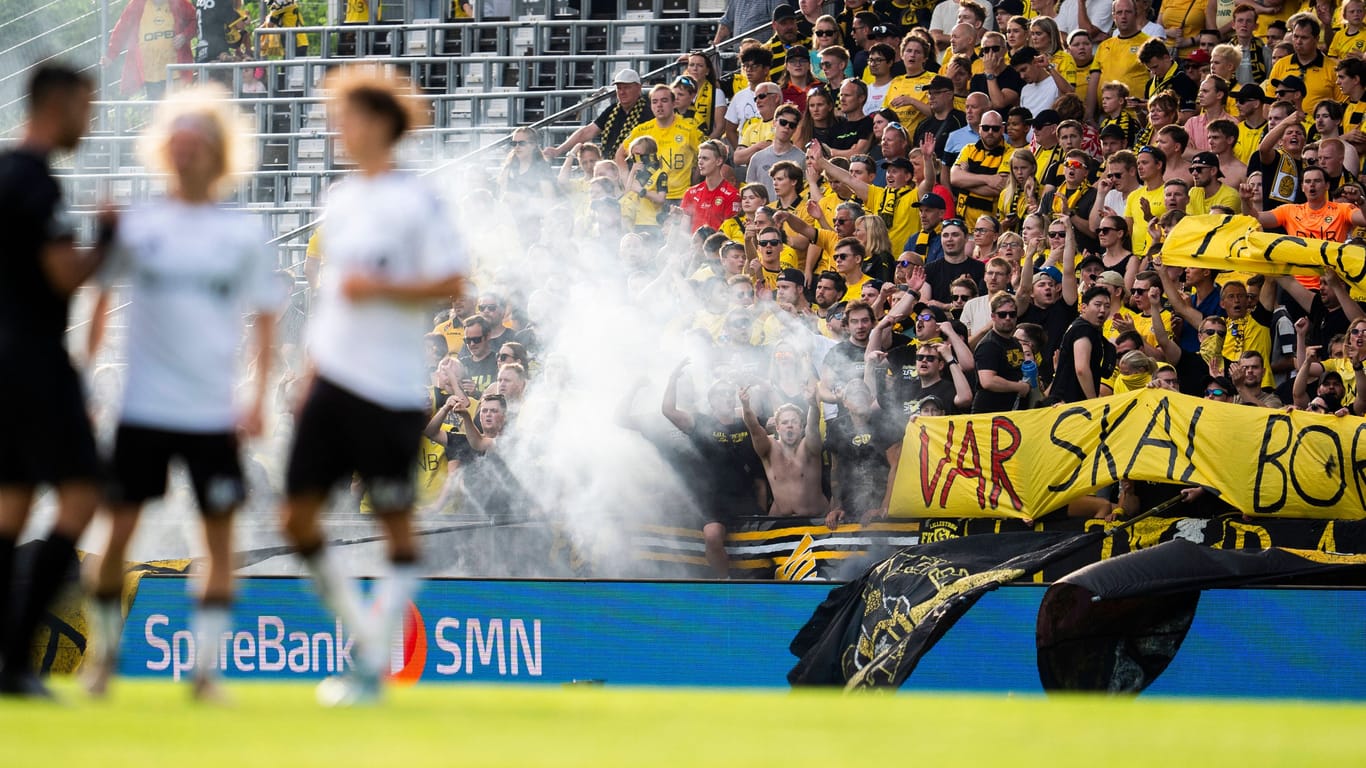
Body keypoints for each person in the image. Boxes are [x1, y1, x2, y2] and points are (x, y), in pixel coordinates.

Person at [82, 86, 281, 699]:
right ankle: (105, 658)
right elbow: (99, 297)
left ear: (221, 153)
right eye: (179, 142)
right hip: (143, 408)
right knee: (116, 533)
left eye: (200, 143)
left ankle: (205, 671)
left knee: (218, 539)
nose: (188, 152)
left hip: (212, 414)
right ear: (164, 150)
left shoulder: (242, 234)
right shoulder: (139, 226)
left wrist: (256, 400)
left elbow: (267, 319)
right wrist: (81, 378)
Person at [279, 67, 469, 707]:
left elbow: (454, 282)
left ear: (381, 125)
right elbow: (336, 299)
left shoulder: (417, 200)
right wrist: (309, 374)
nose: (339, 130)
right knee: (294, 516)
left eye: (349, 118)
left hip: (388, 389)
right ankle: (364, 639)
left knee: (396, 530)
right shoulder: (339, 199)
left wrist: (382, 290)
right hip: (332, 379)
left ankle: (369, 666)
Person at [0, 65, 102, 698]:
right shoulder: (37, 182)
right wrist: (111, 241)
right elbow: (66, 274)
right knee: (83, 495)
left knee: (10, 507)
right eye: (86, 109)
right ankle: (14, 657)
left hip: (4, 358)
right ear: (58, 105)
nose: (89, 123)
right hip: (35, 363)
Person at [662, 361, 760, 577]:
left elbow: (777, 423)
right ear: (711, 400)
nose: (726, 397)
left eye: (729, 393)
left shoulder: (746, 420)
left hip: (745, 494)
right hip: (714, 498)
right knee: (713, 536)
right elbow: (668, 410)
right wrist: (673, 379)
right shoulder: (700, 422)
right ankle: (724, 583)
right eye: (720, 394)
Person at [739, 383, 826, 517]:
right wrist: (746, 405)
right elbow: (753, 427)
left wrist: (813, 405)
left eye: (794, 422)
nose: (789, 426)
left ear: (801, 427)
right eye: (785, 423)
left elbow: (813, 425)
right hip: (781, 523)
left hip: (816, 520)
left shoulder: (809, 446)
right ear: (778, 428)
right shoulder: (769, 447)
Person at [104, 0, 196, 98]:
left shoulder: (179, 3)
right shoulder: (137, 4)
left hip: (175, 73)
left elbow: (196, 20)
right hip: (150, 75)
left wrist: (185, 36)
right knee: (156, 110)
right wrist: (110, 55)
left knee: (175, 109)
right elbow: (122, 29)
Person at [549, 69, 646, 161]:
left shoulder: (648, 110)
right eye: (619, 88)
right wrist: (558, 150)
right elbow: (587, 131)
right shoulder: (612, 110)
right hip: (610, 166)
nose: (622, 92)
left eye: (626, 87)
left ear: (638, 88)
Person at [1051, 285, 1116, 401]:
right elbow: (1081, 369)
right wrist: (1093, 401)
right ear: (1083, 307)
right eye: (1097, 305)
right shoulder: (1083, 329)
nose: (1102, 310)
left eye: (1107, 306)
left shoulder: (1085, 327)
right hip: (1070, 404)